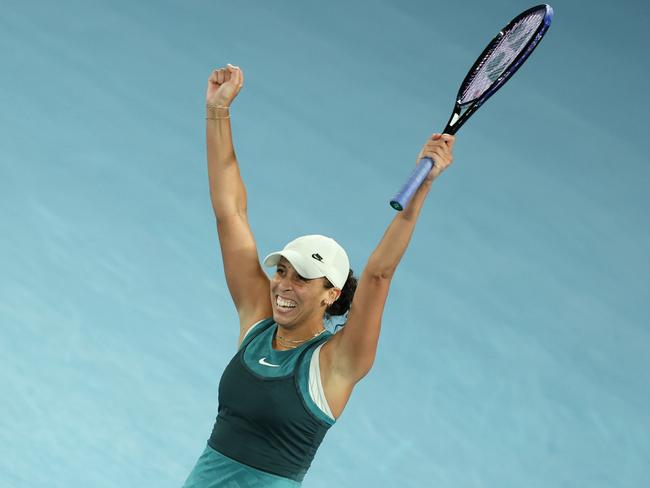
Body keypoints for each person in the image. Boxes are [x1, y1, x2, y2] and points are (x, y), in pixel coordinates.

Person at [182, 64, 455, 488]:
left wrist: (423, 188)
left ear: (332, 293)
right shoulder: (257, 321)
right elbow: (229, 211)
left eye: (302, 278)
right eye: (283, 270)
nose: (283, 285)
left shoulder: (336, 363)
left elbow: (380, 274)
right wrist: (217, 112)